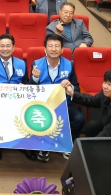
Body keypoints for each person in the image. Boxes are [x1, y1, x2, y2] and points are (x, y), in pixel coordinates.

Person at [28, 34, 85, 162]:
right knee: (42, 118)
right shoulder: (36, 64)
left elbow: (77, 88)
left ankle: (67, 145)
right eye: (50, 46)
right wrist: (35, 78)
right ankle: (44, 147)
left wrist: (70, 87)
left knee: (79, 119)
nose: (53, 49)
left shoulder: (69, 64)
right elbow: (30, 89)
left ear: (62, 49)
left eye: (57, 46)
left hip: (64, 103)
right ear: (45, 49)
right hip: (43, 104)